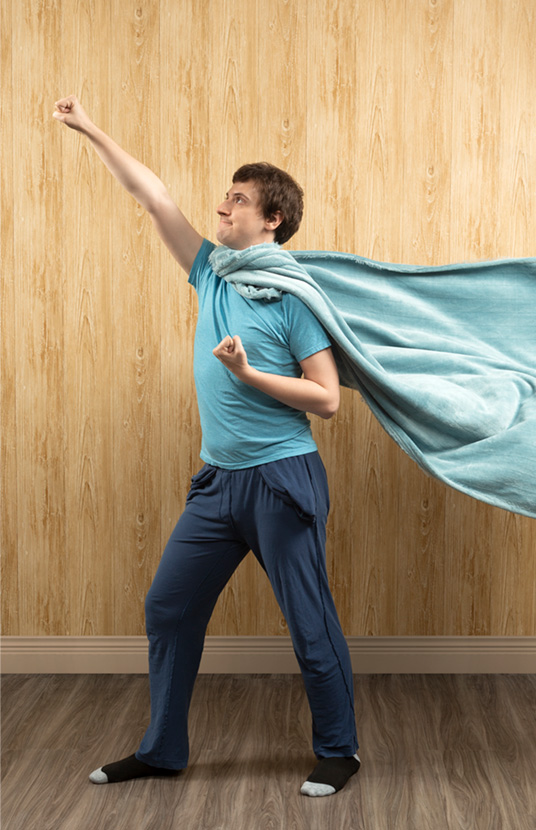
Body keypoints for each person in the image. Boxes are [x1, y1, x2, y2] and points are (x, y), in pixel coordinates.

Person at [53, 95, 360, 798]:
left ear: (271, 219)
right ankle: (163, 749)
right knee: (168, 607)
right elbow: (152, 196)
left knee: (309, 623)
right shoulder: (211, 271)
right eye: (224, 198)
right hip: (220, 484)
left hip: (282, 480)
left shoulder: (293, 299)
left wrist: (248, 373)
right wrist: (90, 126)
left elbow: (328, 398)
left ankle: (339, 750)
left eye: (238, 200)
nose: (222, 208)